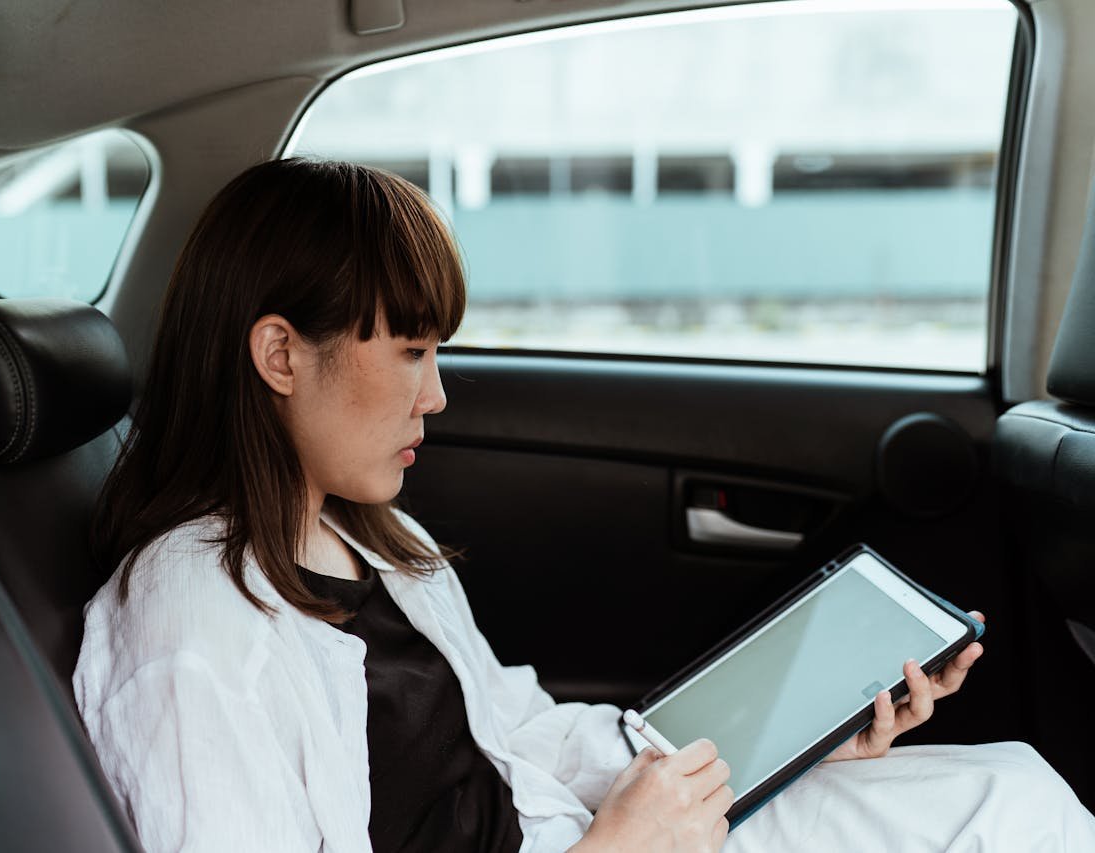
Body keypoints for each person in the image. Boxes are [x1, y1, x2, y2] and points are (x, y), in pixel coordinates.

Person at [73, 157, 1095, 852]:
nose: (435, 394)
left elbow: (518, 734)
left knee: (1013, 790)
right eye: (412, 352)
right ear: (281, 352)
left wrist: (773, 736)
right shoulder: (190, 633)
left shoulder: (371, 539)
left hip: (574, 827)